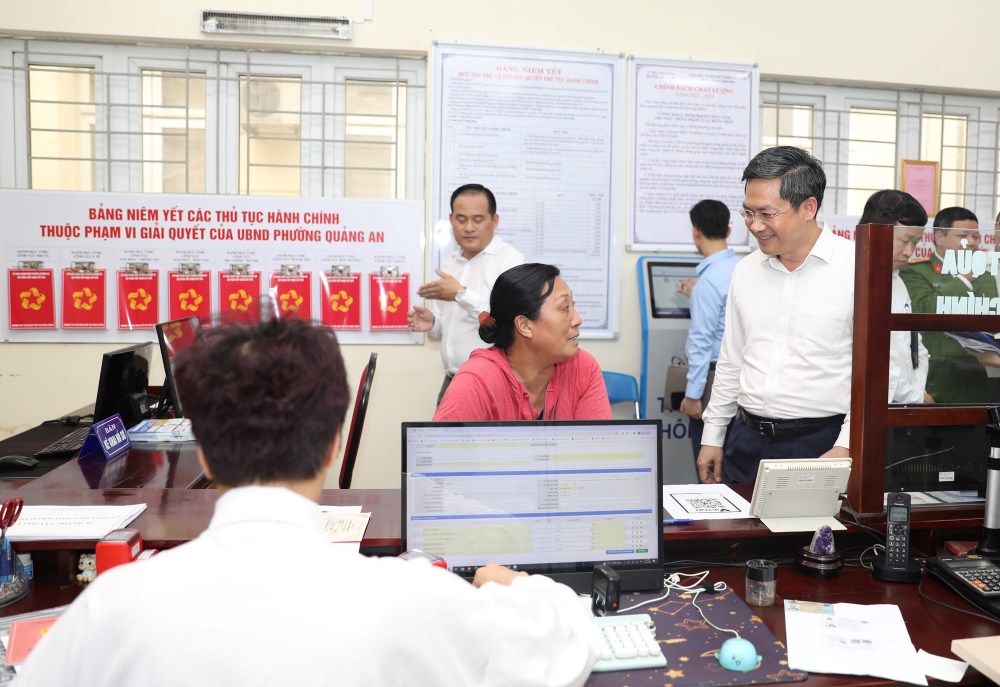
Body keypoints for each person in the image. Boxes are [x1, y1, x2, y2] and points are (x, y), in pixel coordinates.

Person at [15, 317, 596, 687]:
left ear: (208, 459)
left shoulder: (114, 607)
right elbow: (567, 642)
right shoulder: (415, 599)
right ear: (333, 446)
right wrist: (516, 584)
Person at [697, 146, 854, 485]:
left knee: (811, 539)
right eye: (747, 213)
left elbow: (877, 375)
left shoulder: (856, 269)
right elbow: (731, 360)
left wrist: (847, 443)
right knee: (734, 538)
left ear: (808, 207)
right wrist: (713, 434)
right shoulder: (745, 271)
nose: (755, 226)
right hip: (746, 441)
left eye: (767, 214)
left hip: (820, 445)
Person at [434, 263, 612, 421]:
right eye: (565, 308)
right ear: (524, 325)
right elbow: (440, 454)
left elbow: (599, 449)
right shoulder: (476, 382)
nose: (577, 319)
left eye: (573, 305)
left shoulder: (583, 367)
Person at [408, 184, 525, 404]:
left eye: (478, 219)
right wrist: (433, 323)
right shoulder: (451, 264)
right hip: (452, 380)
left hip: (491, 384)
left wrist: (460, 294)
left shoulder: (511, 261)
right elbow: (447, 329)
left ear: (495, 220)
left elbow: (507, 323)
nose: (469, 227)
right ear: (451, 220)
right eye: (461, 220)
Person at [899, 206, 997, 403]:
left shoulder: (985, 275)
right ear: (939, 238)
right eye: (963, 236)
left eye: (976, 237)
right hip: (933, 381)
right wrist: (963, 279)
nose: (971, 243)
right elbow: (923, 311)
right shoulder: (916, 271)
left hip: (975, 383)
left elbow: (991, 324)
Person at [676, 199, 741, 455]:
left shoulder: (708, 283)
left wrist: (693, 395)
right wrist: (698, 295)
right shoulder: (742, 269)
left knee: (709, 461)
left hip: (713, 381)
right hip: (742, 378)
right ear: (728, 231)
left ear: (695, 231)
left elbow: (701, 341)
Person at [857, 189, 932, 404]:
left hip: (903, 405)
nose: (910, 252)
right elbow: (878, 360)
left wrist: (917, 392)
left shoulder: (897, 281)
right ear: (877, 231)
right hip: (867, 407)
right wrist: (916, 397)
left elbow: (915, 347)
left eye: (916, 243)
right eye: (905, 240)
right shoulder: (853, 279)